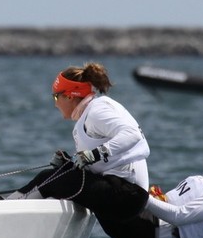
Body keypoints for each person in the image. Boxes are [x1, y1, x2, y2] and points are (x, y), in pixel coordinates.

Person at [9, 63, 150, 219]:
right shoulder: (89, 114)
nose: (55, 103)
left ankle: (6, 209)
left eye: (55, 96)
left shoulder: (97, 111)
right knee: (57, 175)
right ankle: (10, 206)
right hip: (124, 191)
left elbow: (133, 134)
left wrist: (94, 154)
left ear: (70, 96)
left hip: (128, 194)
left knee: (48, 178)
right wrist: (68, 165)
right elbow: (99, 165)